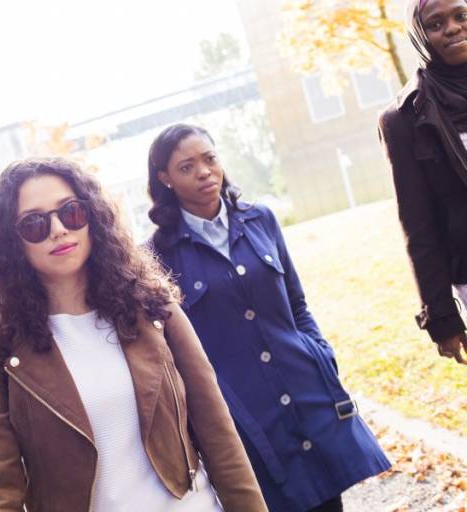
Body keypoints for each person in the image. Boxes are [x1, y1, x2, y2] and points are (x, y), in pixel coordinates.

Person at [0, 157, 267, 512]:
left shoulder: (152, 305)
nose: (58, 230)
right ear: (11, 241)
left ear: (92, 216)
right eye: (34, 224)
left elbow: (218, 434)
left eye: (71, 212)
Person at [146, 124, 391, 512]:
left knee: (329, 502)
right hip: (244, 414)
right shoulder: (158, 254)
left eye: (210, 159)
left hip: (304, 389)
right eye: (187, 167)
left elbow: (297, 303)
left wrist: (320, 354)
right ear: (165, 178)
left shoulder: (261, 220)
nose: (204, 172)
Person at [378, 0, 467, 363]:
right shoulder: (402, 120)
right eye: (436, 23)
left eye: (461, 16)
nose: (452, 28)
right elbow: (418, 226)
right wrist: (442, 318)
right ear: (420, 35)